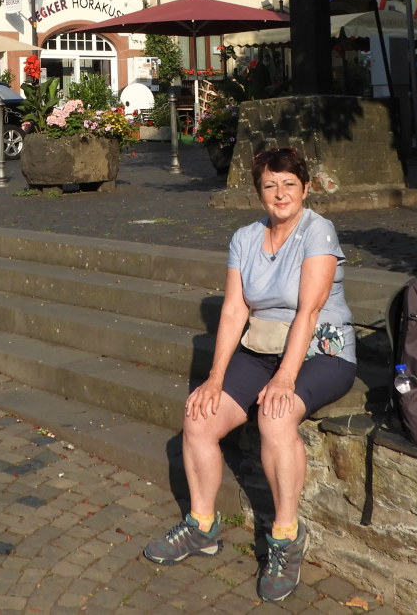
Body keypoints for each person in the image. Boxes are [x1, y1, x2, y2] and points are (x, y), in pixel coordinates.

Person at [143, 146, 356, 603]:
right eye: (270, 185)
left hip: (322, 352)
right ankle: (202, 525)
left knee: (275, 419)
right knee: (199, 416)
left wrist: (284, 378)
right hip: (260, 350)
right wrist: (216, 376)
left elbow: (310, 309)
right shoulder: (244, 238)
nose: (280, 194)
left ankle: (285, 536)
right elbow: (235, 309)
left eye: (289, 184)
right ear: (259, 192)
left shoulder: (318, 232)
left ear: (304, 188)